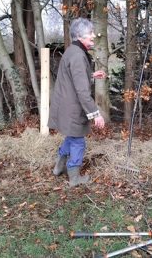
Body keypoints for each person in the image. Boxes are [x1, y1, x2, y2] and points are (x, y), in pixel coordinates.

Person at [48, 17, 106, 187]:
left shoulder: (72, 51)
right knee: (78, 141)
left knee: (71, 137)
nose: (93, 36)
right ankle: (74, 177)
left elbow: (74, 78)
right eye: (90, 33)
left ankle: (59, 166)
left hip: (65, 105)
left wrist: (91, 75)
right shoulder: (79, 56)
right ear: (80, 36)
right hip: (73, 108)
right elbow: (81, 90)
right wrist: (96, 114)